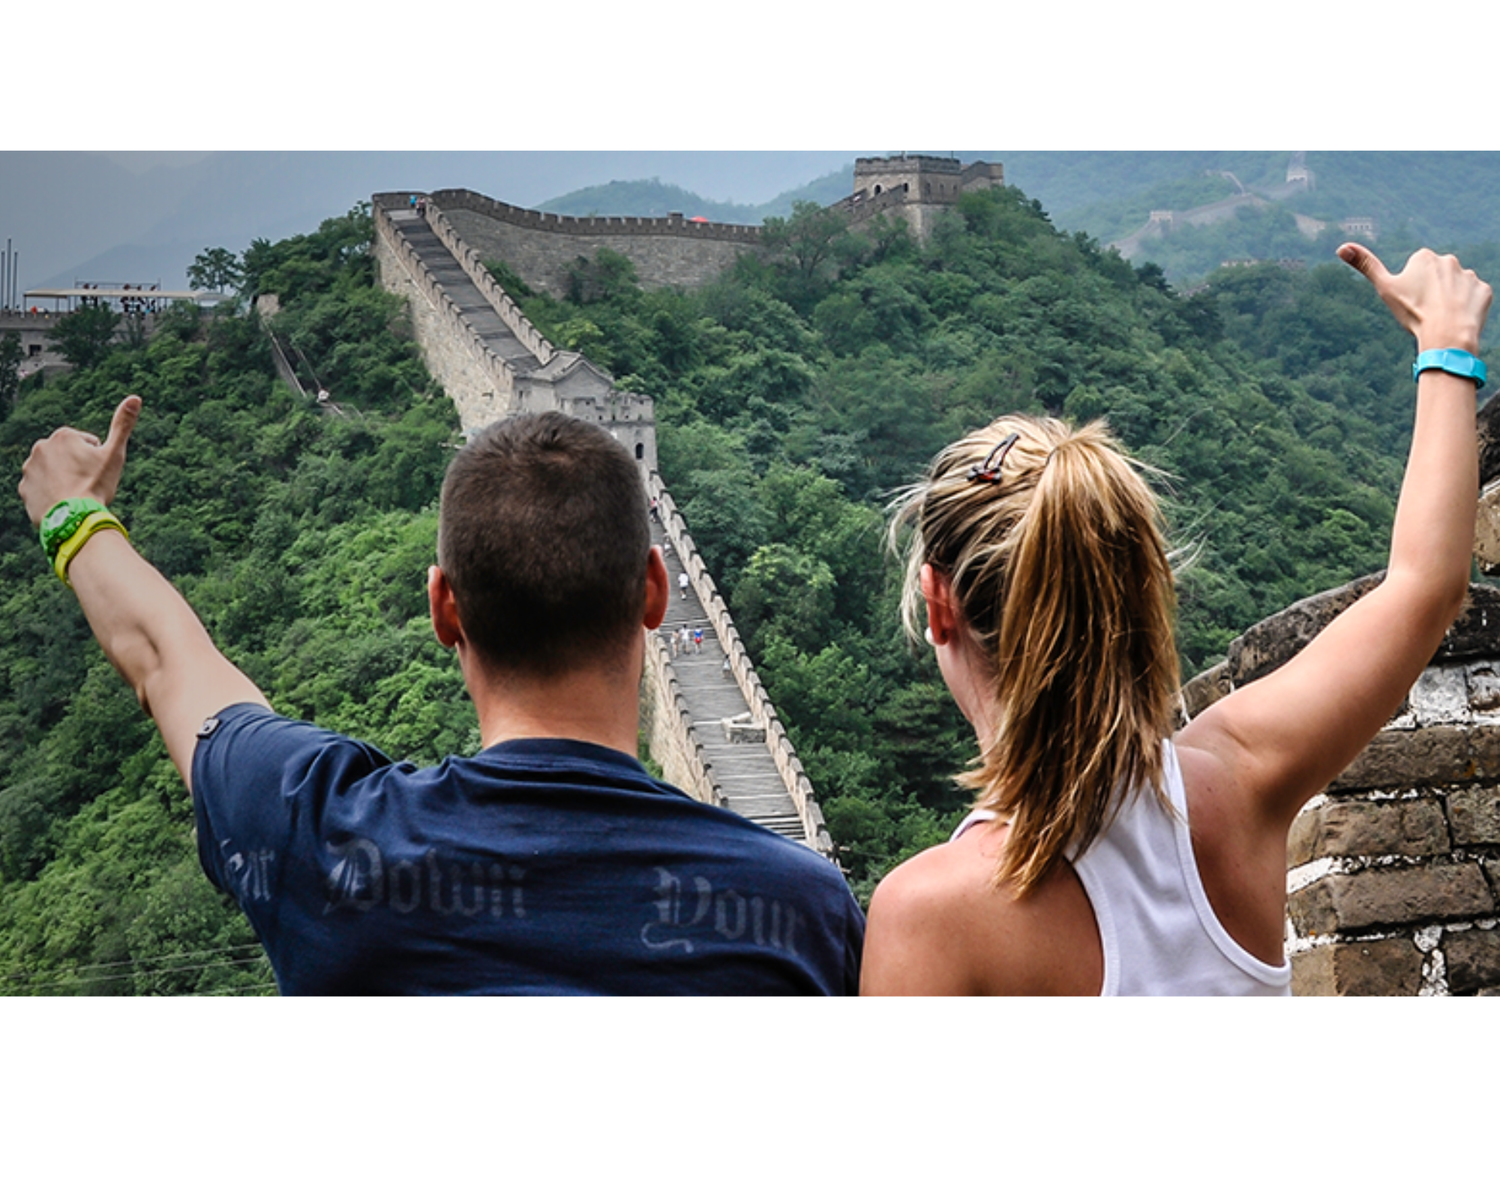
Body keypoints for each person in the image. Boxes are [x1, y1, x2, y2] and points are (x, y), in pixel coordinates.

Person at [19, 408, 864, 995]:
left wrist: (72, 514)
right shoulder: (802, 910)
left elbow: (166, 660)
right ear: (654, 590)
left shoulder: (319, 832)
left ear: (442, 608)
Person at [861, 245, 1492, 996]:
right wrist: (1445, 342)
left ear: (939, 606)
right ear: (1133, 589)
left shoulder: (930, 916)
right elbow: (1426, 586)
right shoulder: (1241, 777)